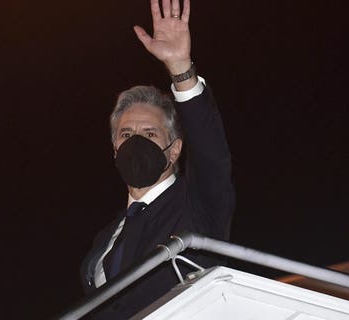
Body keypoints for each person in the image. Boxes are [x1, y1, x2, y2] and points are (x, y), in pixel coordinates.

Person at [79, 0, 235, 318]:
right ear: (114, 149)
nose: (135, 142)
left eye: (149, 134)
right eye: (126, 134)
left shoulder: (197, 204)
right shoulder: (106, 237)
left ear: (174, 149)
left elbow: (211, 153)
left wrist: (180, 69)